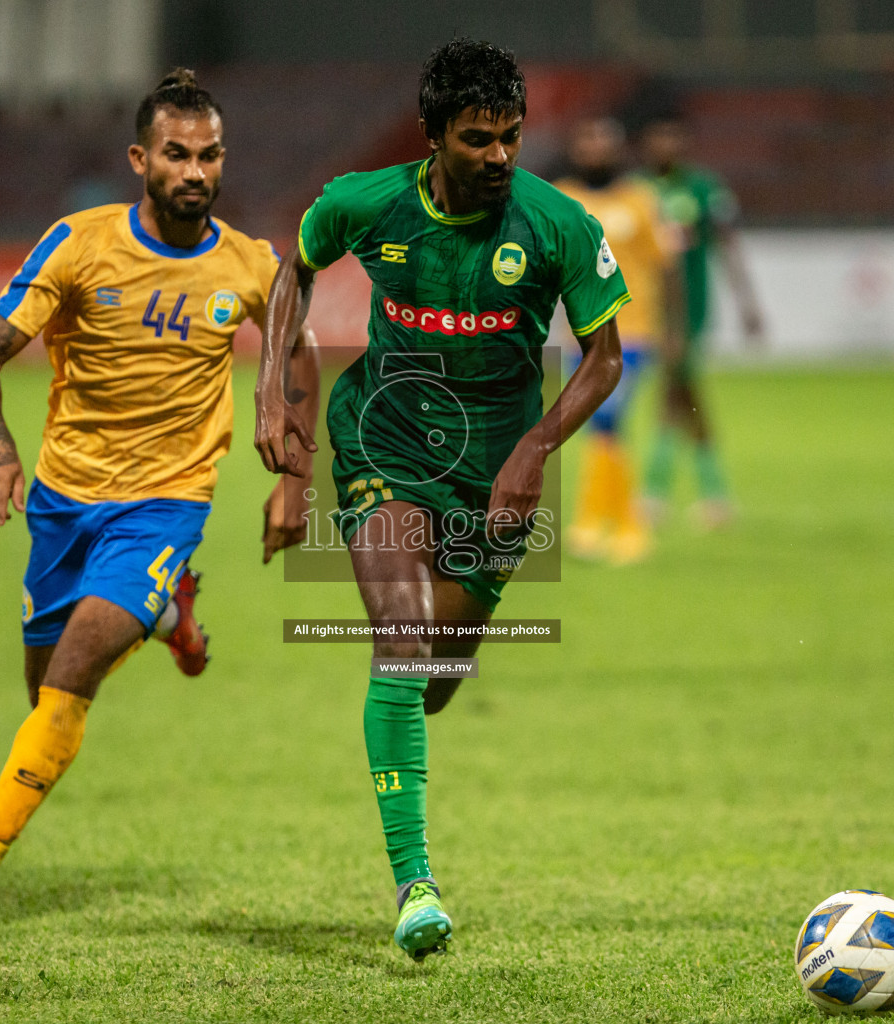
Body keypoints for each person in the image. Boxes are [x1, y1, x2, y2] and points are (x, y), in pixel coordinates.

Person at [254, 39, 628, 961]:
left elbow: (607, 357)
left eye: (510, 137)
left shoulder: (558, 227)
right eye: (477, 139)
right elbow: (292, 270)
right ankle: (415, 883)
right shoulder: (364, 204)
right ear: (432, 137)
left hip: (499, 472)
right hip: (386, 441)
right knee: (402, 644)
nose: (500, 156)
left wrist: (537, 450)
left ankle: (407, 720)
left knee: (437, 679)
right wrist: (271, 381)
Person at [0, 69, 318, 933]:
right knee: (47, 688)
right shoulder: (78, 244)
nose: (195, 172)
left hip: (167, 503)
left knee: (71, 677)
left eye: (209, 155)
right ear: (141, 158)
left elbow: (296, 359)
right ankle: (166, 615)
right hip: (64, 503)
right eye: (177, 154)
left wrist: (297, 478)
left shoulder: (251, 266)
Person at [556, 116, 683, 564]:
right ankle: (594, 522)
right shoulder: (563, 199)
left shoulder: (641, 200)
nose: (595, 149)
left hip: (633, 332)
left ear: (618, 149)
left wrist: (674, 329)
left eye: (603, 141)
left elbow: (667, 265)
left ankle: (626, 527)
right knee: (600, 426)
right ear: (576, 149)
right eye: (587, 139)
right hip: (578, 336)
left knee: (609, 417)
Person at [638, 110, 765, 528]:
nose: (666, 145)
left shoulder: (704, 189)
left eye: (674, 136)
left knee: (677, 390)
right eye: (659, 136)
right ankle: (709, 494)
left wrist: (748, 302)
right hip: (639, 310)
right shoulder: (635, 191)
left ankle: (662, 495)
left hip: (689, 309)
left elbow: (729, 245)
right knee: (679, 394)